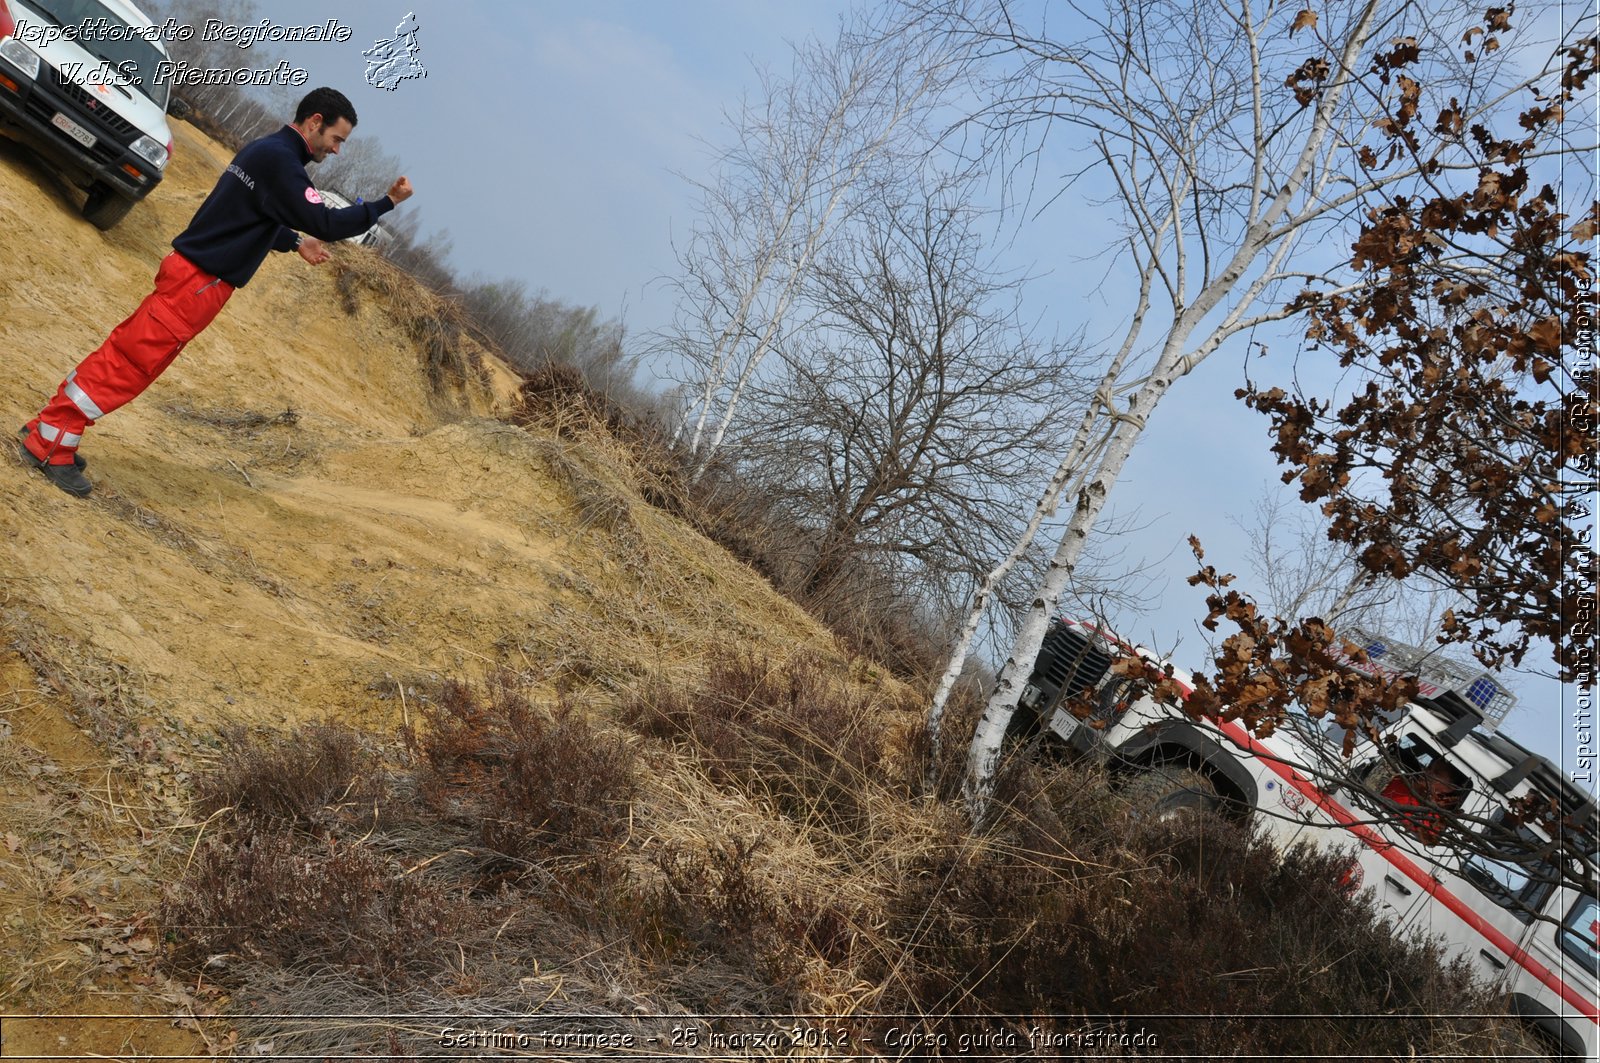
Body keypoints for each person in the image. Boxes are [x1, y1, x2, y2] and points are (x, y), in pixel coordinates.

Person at [18, 87, 414, 498]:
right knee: (129, 365)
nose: (336, 151)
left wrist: (295, 242)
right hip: (198, 284)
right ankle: (49, 443)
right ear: (315, 122)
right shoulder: (283, 162)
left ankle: (51, 428)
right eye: (337, 139)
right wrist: (386, 202)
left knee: (122, 353)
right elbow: (329, 223)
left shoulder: (267, 151)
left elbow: (252, 213)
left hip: (190, 275)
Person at [1381, 759, 1462, 844]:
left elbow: (1422, 841)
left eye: (1436, 773)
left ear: (1449, 788)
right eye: (1429, 767)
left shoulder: (1435, 820)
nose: (1427, 772)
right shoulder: (1399, 780)